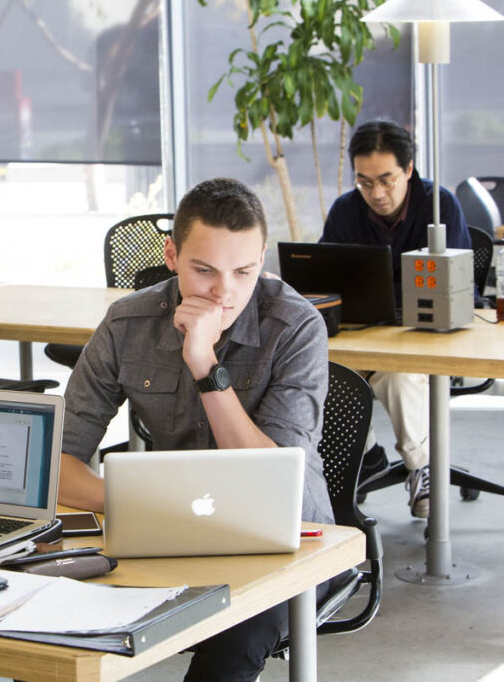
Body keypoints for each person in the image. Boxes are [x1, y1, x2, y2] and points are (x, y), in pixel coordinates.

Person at [58, 178, 334, 682]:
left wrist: (205, 364)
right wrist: (136, 504)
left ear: (263, 258)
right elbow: (54, 465)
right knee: (49, 610)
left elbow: (267, 482)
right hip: (169, 531)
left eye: (243, 272)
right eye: (203, 271)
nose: (224, 292)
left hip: (291, 542)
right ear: (171, 255)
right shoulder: (128, 323)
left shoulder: (296, 326)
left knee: (235, 641)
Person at [320, 119, 472, 519]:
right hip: (365, 335)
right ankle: (366, 455)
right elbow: (320, 279)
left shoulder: (440, 206)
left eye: (386, 180)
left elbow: (461, 291)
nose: (377, 193)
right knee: (322, 371)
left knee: (398, 376)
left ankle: (422, 468)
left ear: (408, 169)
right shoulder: (345, 211)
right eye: (365, 182)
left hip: (426, 339)